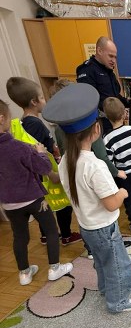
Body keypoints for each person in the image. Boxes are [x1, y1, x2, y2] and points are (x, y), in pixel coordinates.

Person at [42, 83, 131, 313]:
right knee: (117, 264)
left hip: (87, 227)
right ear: (97, 129)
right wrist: (122, 193)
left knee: (101, 261)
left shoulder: (65, 161)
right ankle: (118, 302)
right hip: (104, 228)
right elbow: (111, 204)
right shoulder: (95, 166)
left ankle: (106, 289)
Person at [0, 99, 73, 285]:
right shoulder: (19, 146)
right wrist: (40, 152)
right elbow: (44, 167)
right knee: (51, 230)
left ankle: (24, 273)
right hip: (34, 199)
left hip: (9, 204)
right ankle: (54, 268)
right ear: (1, 119)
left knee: (20, 236)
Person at [6, 76, 82, 247]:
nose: (44, 100)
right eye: (41, 97)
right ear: (34, 102)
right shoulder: (35, 125)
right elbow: (35, 151)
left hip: (40, 175)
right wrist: (51, 172)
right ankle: (66, 235)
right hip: (48, 174)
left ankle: (45, 236)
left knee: (45, 205)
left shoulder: (22, 123)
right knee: (62, 204)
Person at [103, 97, 131, 233]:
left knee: (129, 199)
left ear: (107, 117)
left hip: (125, 175)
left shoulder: (107, 139)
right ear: (124, 113)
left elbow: (110, 161)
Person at [76, 36, 131, 136]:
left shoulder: (108, 70)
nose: (113, 60)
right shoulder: (87, 70)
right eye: (110, 56)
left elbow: (114, 96)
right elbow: (88, 102)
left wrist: (127, 102)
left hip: (114, 122)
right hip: (100, 124)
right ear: (99, 51)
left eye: (115, 57)